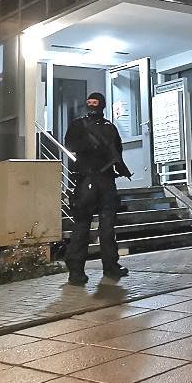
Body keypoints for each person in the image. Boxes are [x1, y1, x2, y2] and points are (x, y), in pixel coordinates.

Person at [63, 91, 131, 285]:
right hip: (89, 180)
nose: (92, 105)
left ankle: (107, 266)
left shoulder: (109, 127)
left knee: (106, 227)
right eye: (90, 102)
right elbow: (71, 144)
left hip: (103, 180)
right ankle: (78, 271)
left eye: (95, 102)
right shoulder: (80, 125)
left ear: (101, 104)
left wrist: (120, 166)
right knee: (83, 226)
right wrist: (92, 147)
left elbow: (117, 152)